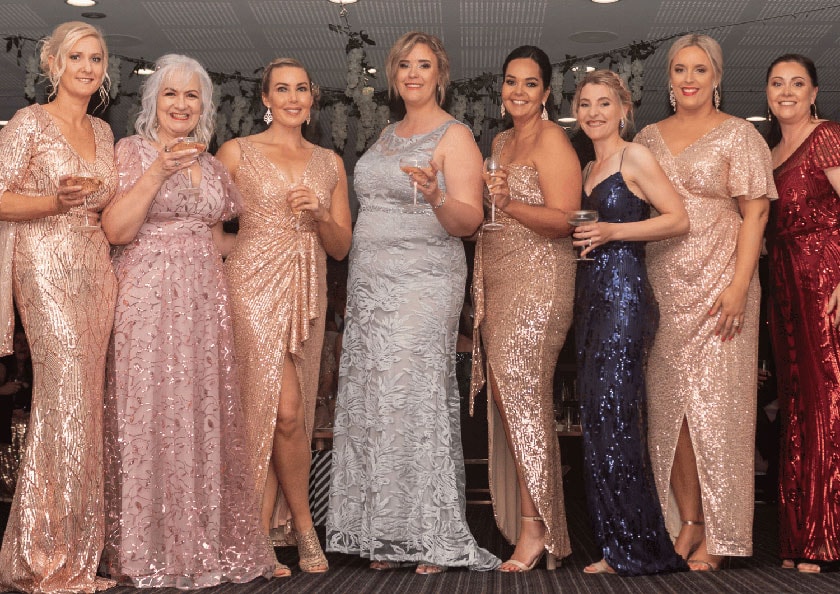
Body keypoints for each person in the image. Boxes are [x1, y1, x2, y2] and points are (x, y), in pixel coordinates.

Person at [326, 31, 499, 574]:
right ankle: (386, 534)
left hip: (425, 283)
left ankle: (429, 533)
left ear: (440, 74)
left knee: (415, 398)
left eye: (424, 65)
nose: (414, 74)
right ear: (394, 75)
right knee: (376, 401)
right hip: (371, 285)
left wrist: (437, 195)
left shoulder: (456, 136)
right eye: (404, 65)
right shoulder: (385, 134)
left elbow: (468, 222)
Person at [100, 53, 274, 587]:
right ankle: (144, 549)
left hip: (204, 300)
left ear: (204, 105)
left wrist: (278, 240)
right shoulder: (131, 151)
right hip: (146, 297)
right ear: (153, 103)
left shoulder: (215, 165)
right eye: (170, 94)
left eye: (191, 95)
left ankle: (199, 540)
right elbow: (116, 229)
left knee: (199, 412)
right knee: (147, 408)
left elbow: (220, 237)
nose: (180, 103)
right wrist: (159, 170)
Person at [634, 34, 776, 571]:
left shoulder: (740, 136)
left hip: (724, 280)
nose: (688, 78)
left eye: (699, 69)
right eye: (678, 70)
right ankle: (689, 522)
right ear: (668, 80)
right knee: (672, 411)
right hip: (664, 283)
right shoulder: (647, 136)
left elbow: (756, 213)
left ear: (716, 76)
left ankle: (723, 534)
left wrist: (741, 285)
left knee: (720, 411)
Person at [217, 57, 352, 575]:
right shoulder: (236, 152)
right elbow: (204, 219)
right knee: (283, 408)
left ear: (312, 98)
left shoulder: (329, 161)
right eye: (282, 89)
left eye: (301, 89)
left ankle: (262, 531)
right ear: (265, 100)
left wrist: (319, 214)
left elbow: (341, 247)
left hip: (308, 287)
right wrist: (234, 246)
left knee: (281, 413)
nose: (293, 98)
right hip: (251, 285)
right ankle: (301, 527)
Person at [0, 21, 118, 593]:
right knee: (65, 395)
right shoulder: (29, 123)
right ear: (53, 64)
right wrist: (52, 200)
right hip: (44, 265)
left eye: (96, 58)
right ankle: (48, 559)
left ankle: (69, 555)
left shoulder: (103, 129)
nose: (88, 67)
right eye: (77, 57)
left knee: (82, 404)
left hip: (96, 267)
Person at [571, 69, 689, 576]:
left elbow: (678, 217)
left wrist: (614, 229)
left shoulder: (633, 156)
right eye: (584, 104)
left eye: (604, 103)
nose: (594, 112)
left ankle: (637, 550)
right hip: (591, 296)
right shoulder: (587, 167)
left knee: (617, 417)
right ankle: (616, 545)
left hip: (624, 296)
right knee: (597, 421)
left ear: (624, 109)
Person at [468, 45, 580, 572]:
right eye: (511, 81)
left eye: (530, 83)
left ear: (546, 92)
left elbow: (566, 221)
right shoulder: (501, 140)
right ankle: (538, 526)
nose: (518, 91)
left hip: (540, 282)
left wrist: (509, 204)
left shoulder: (554, 139)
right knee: (514, 408)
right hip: (502, 276)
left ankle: (538, 532)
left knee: (526, 404)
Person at [764, 53, 840, 574]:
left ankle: (825, 538)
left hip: (825, 279)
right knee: (796, 406)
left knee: (829, 401)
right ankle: (799, 538)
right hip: (784, 286)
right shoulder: (768, 155)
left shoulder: (829, 135)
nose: (786, 91)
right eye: (776, 83)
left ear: (814, 92)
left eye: (797, 83)